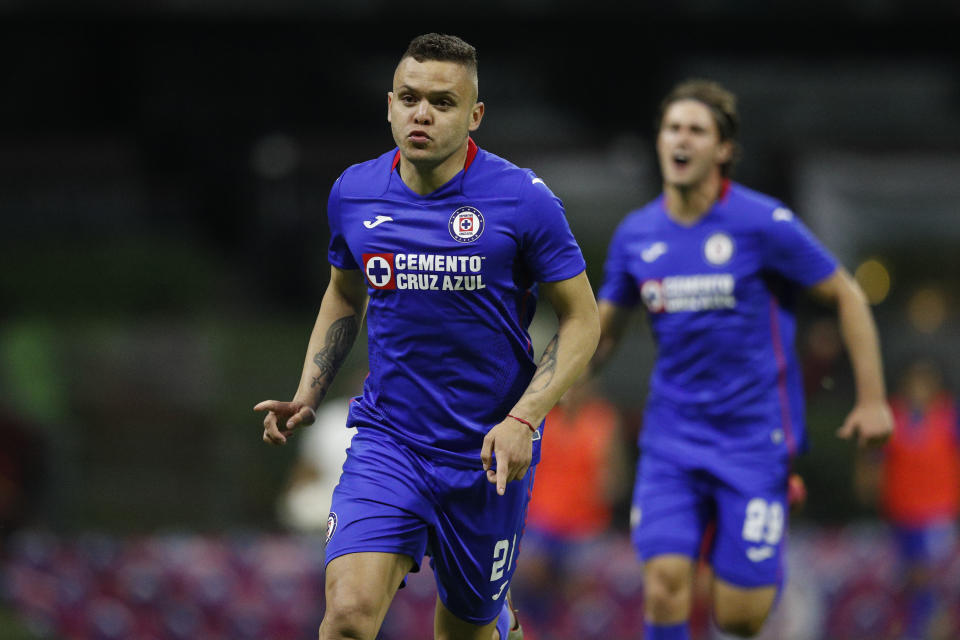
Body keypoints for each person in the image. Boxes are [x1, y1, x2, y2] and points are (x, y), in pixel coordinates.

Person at [254, 33, 599, 640]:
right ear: (389, 104)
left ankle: (498, 623)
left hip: (485, 455)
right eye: (410, 98)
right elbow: (344, 292)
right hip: (390, 441)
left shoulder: (522, 199)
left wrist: (525, 420)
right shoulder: (354, 192)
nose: (422, 113)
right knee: (348, 618)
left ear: (475, 115)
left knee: (464, 631)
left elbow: (582, 319)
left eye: (442, 102)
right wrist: (309, 391)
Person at [590, 79, 892, 640]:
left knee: (739, 616)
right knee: (664, 583)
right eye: (672, 128)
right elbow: (603, 332)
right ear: (659, 141)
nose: (681, 139)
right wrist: (548, 389)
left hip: (753, 441)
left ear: (723, 150)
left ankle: (775, 497)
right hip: (671, 440)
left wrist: (873, 401)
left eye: (696, 130)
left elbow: (848, 295)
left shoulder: (763, 224)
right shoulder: (637, 234)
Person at [856, 357, 960, 639]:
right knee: (906, 580)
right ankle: (919, 626)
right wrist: (869, 483)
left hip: (937, 512)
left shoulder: (949, 416)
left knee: (925, 575)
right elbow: (874, 457)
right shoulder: (892, 416)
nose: (918, 389)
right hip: (901, 511)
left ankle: (920, 630)